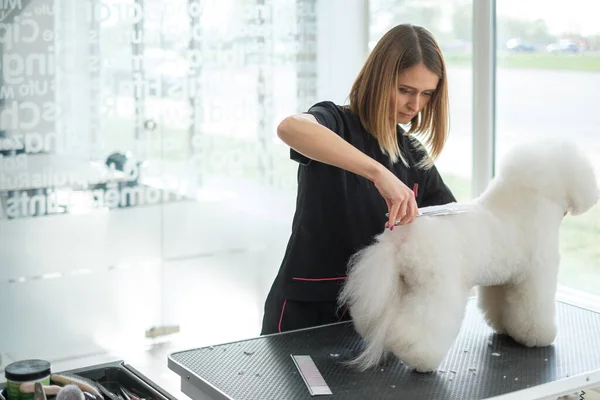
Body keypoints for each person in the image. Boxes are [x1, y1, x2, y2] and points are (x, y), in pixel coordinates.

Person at [260, 23, 456, 335]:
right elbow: (289, 128)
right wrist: (379, 174)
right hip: (306, 313)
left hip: (374, 316)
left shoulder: (413, 154)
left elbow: (452, 219)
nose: (415, 106)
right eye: (405, 90)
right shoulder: (335, 122)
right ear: (379, 80)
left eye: (426, 94)